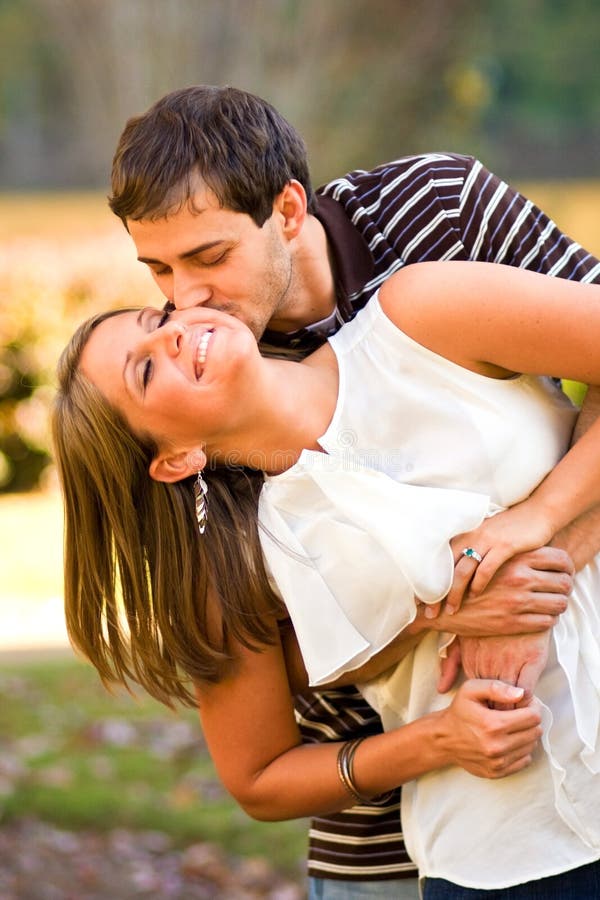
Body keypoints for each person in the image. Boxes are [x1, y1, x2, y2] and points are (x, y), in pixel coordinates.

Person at [106, 85, 600, 896]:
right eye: (157, 268)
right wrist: (435, 615)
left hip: (571, 701)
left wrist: (539, 552)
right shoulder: (202, 405)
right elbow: (264, 660)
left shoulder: (434, 216)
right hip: (386, 804)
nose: (184, 297)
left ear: (289, 210)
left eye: (208, 257)